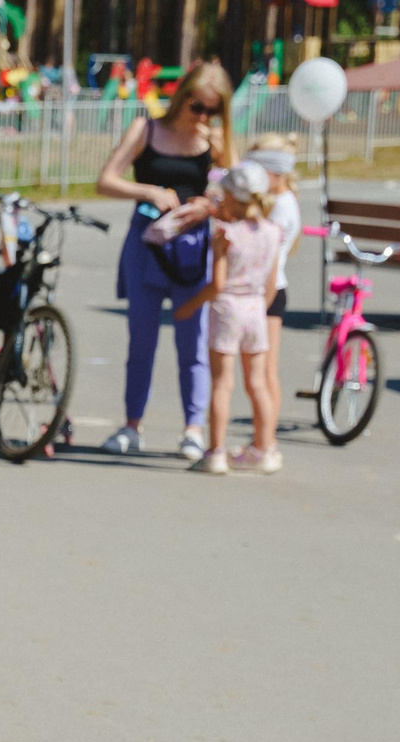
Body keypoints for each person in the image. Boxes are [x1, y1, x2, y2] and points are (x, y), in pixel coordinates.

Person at [94, 58, 234, 460]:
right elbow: (106, 181)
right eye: (197, 107)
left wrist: (208, 204)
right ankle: (132, 425)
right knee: (142, 340)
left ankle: (193, 428)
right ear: (182, 98)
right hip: (147, 246)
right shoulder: (147, 129)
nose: (202, 117)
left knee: (194, 343)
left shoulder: (214, 143)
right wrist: (149, 191)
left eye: (211, 110)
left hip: (192, 251)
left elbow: (235, 202)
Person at [174, 161, 286, 475]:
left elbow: (218, 283)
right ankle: (264, 448)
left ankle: (216, 452)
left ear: (233, 198)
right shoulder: (272, 232)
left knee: (223, 383)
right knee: (257, 383)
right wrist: (260, 308)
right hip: (255, 309)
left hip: (228, 308)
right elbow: (270, 283)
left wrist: (191, 306)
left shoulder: (226, 233)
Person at [249, 135, 304, 439]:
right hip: (268, 292)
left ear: (272, 171)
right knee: (262, 373)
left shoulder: (282, 207)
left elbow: (269, 261)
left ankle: (264, 441)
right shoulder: (281, 202)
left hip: (268, 294)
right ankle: (262, 439)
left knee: (264, 374)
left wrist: (261, 301)